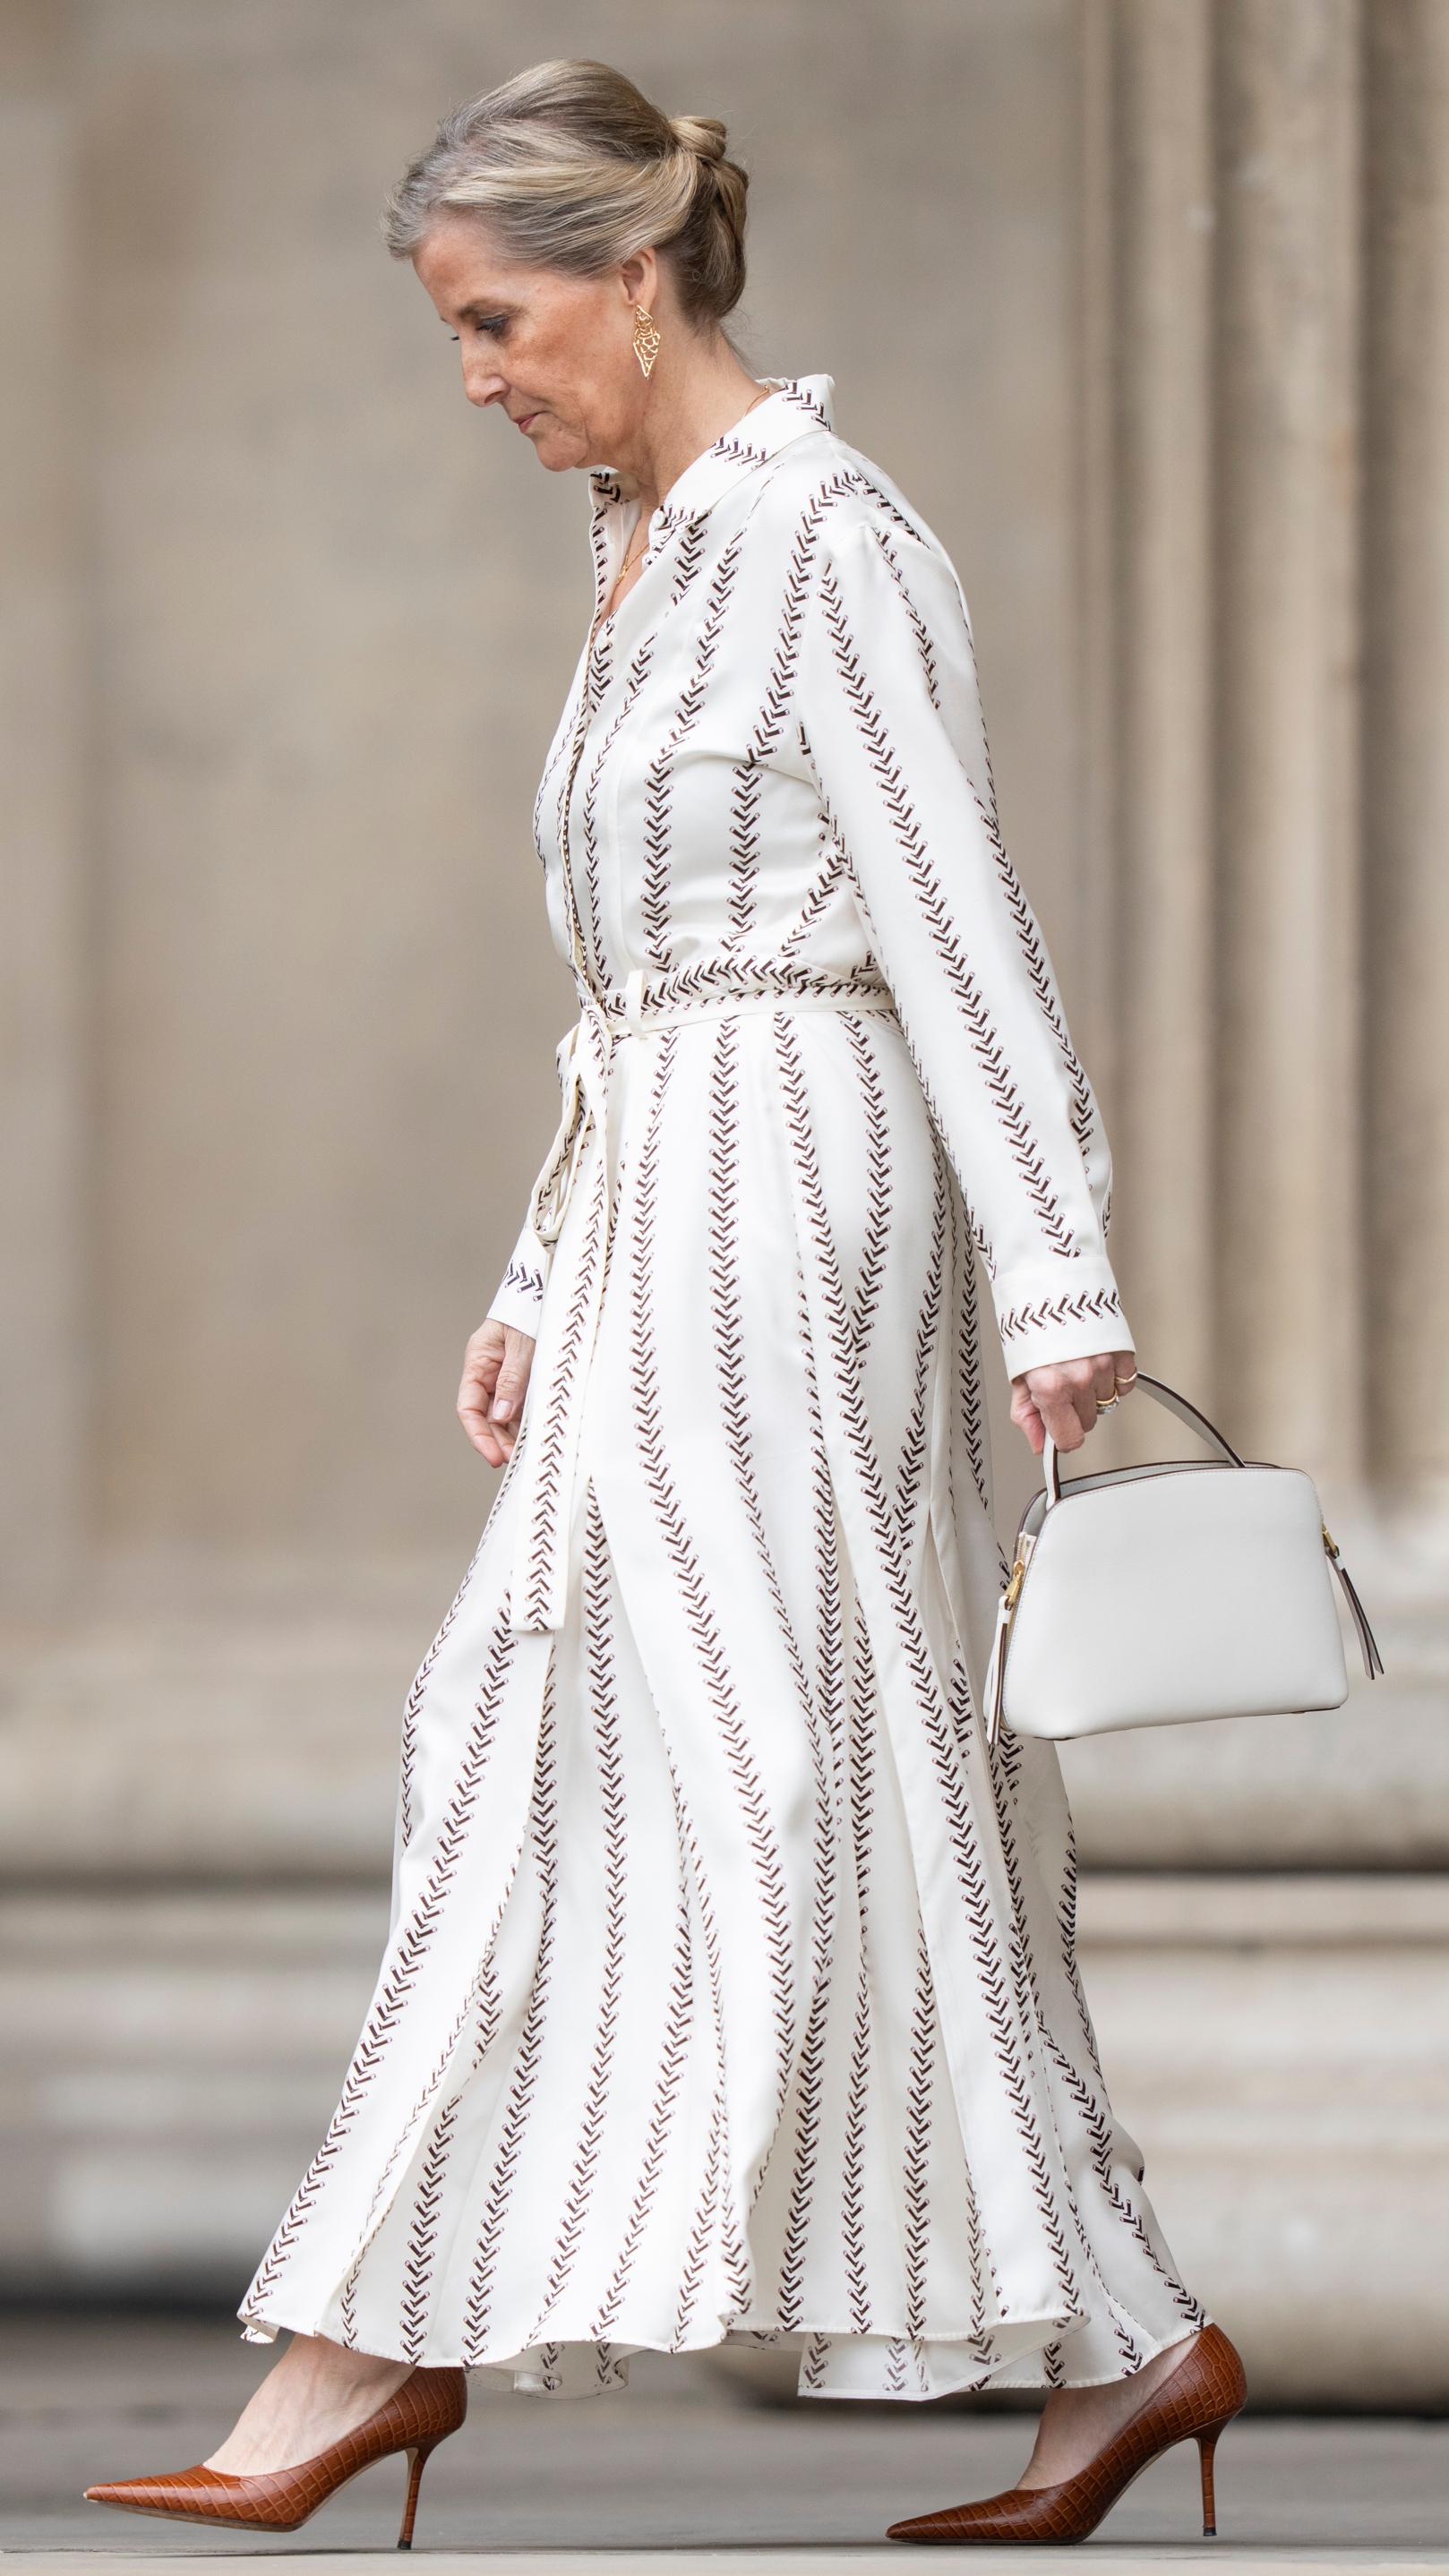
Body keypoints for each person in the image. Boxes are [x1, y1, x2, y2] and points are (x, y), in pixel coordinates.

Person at [85, 58, 1244, 2551]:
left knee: (660, 1746)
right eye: (451, 333)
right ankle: (1136, 2346)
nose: (477, 376)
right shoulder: (640, 546)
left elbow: (951, 922)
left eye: (498, 318)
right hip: (657, 1200)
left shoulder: (826, 541)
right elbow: (633, 972)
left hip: (799, 1211)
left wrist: (1058, 1270)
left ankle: (355, 2363)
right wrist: (535, 1256)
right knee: (768, 1756)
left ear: (631, 269)